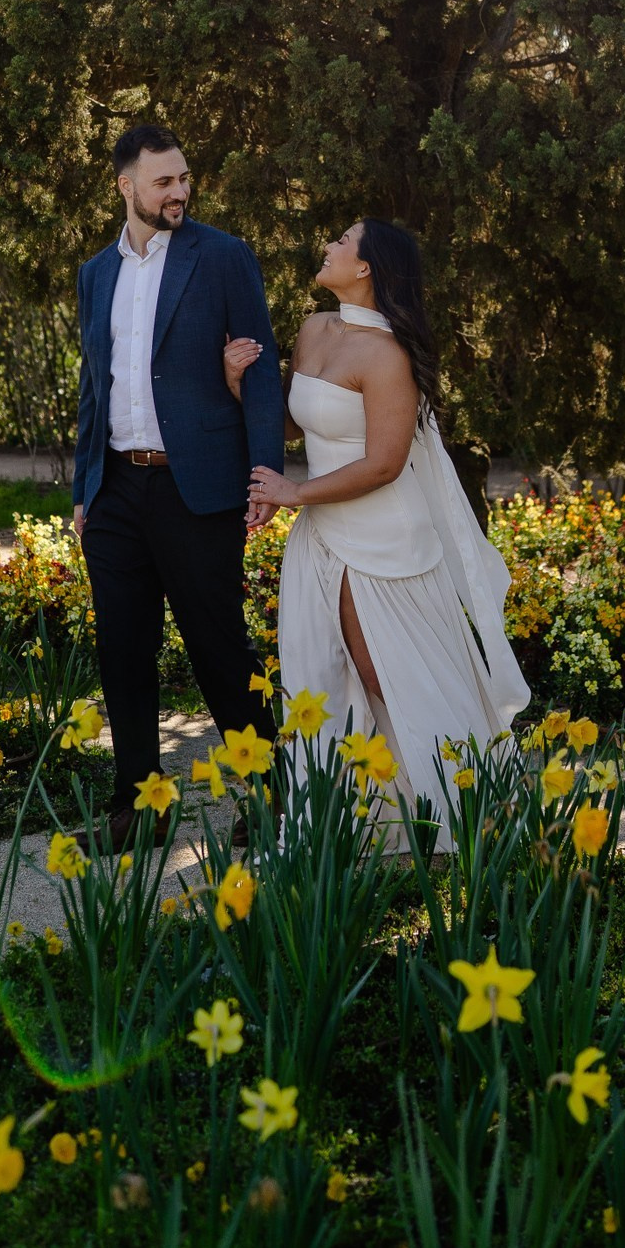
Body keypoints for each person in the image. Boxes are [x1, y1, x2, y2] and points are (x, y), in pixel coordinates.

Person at [226, 218, 528, 821]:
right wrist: (237, 383)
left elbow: (385, 463)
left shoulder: (389, 356)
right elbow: (294, 425)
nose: (328, 244)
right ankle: (362, 816)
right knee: (327, 677)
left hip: (384, 540)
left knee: (389, 676)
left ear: (365, 267)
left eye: (342, 240)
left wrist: (294, 492)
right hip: (322, 534)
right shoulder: (314, 329)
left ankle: (461, 812)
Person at [74, 124, 284, 846]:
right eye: (163, 181)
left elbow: (261, 370)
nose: (180, 192)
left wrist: (265, 473)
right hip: (114, 491)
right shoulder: (95, 274)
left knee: (219, 648)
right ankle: (139, 811)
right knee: (123, 654)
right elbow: (93, 387)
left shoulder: (222, 256)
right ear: (126, 186)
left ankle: (272, 798)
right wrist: (83, 489)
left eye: (184, 178)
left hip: (196, 489)